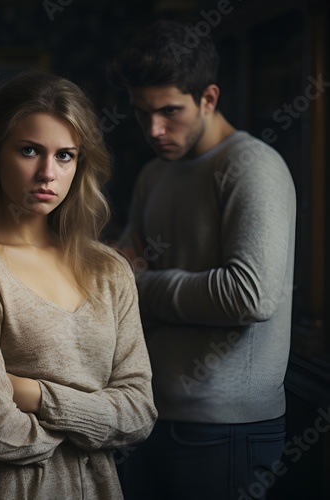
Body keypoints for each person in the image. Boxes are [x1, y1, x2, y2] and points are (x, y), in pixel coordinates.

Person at [0, 71, 157, 500]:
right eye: (29, 150)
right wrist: (94, 423)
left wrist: (31, 392)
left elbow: (140, 413)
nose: (47, 173)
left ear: (80, 165)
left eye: (65, 156)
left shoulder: (110, 269)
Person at [106, 19, 296, 500]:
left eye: (170, 111)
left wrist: (144, 284)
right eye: (141, 112)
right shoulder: (155, 173)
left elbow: (247, 296)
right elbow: (116, 274)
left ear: (208, 98)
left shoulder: (252, 167)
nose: (154, 129)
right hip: (147, 413)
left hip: (226, 427)